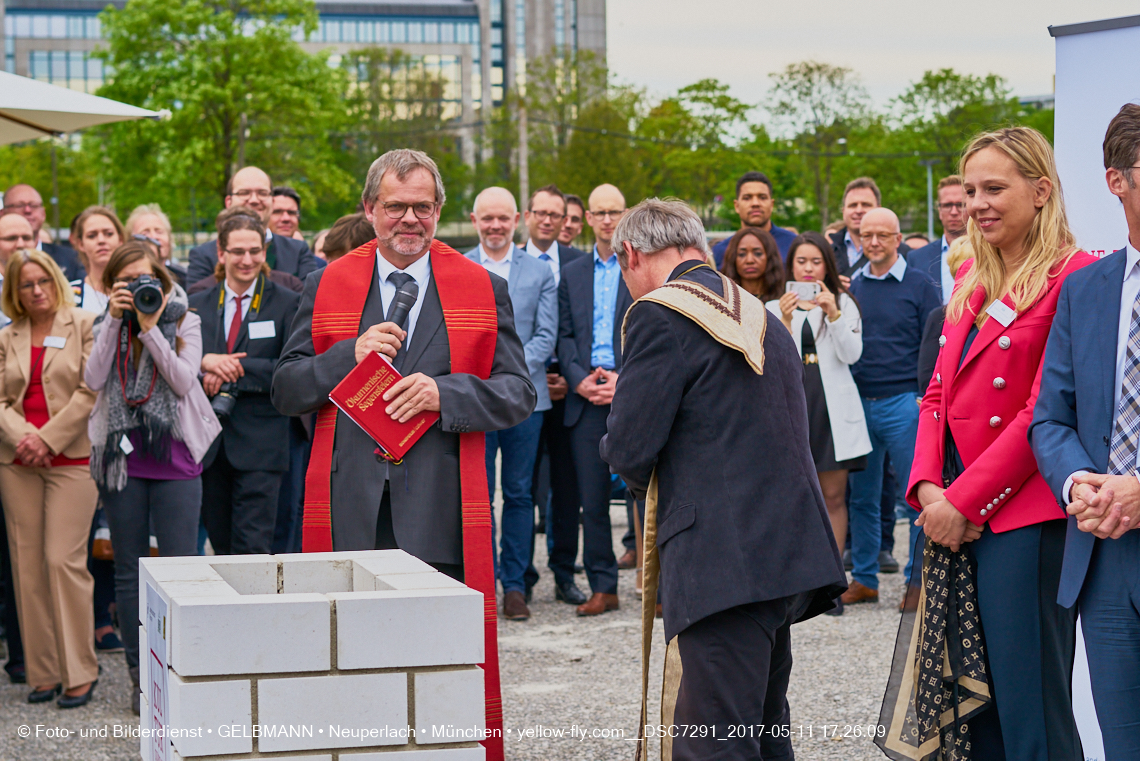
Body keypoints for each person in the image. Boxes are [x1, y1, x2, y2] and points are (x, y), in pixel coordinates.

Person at [272, 150, 532, 761]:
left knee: (437, 666)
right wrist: (347, 358)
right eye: (395, 206)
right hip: (349, 508)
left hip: (441, 507)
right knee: (353, 665)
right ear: (370, 210)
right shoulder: (327, 284)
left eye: (422, 206)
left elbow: (519, 392)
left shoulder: (484, 287)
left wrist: (449, 393)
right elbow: (285, 389)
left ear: (440, 212)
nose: (409, 218)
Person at [600, 199, 845, 760]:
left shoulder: (661, 314)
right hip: (783, 553)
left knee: (711, 743)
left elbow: (631, 444)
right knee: (761, 729)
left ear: (631, 254)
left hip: (719, 560)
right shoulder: (757, 309)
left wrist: (624, 460)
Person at [901, 127, 1091, 760]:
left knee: (1030, 709)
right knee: (972, 706)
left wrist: (964, 502)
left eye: (995, 188)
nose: (978, 204)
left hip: (1025, 520)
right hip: (954, 512)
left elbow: (1046, 410)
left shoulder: (1078, 278)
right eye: (971, 190)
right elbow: (935, 397)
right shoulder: (972, 283)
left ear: (1041, 191)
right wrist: (930, 490)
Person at [1030, 104, 1140, 759]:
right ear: (1116, 180)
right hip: (1102, 562)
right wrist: (1080, 483)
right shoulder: (1087, 289)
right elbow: (1052, 417)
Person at [86, 241, 221, 714]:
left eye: (145, 279)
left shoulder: (185, 317)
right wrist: (112, 322)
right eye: (127, 283)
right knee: (128, 573)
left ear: (160, 278)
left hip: (176, 457)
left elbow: (184, 381)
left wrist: (150, 330)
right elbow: (93, 377)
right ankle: (139, 679)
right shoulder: (106, 320)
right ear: (113, 286)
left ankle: (181, 676)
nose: (140, 288)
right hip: (124, 460)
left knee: (181, 570)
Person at [0, 250, 99, 707]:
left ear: (56, 280)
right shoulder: (9, 335)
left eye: (42, 281)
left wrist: (50, 439)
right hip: (17, 460)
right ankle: (43, 672)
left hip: (71, 459)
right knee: (28, 565)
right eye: (25, 284)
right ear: (14, 291)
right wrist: (26, 438)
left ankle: (79, 670)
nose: (36, 290)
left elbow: (91, 389)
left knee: (62, 560)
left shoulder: (82, 323)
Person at [465, 187, 557, 620]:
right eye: (488, 219)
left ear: (517, 219)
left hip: (524, 401)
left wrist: (511, 373)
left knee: (519, 493)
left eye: (503, 218)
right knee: (477, 494)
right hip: (475, 401)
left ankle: (515, 585)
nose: (496, 226)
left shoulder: (539, 272)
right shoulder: (457, 267)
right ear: (474, 219)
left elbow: (545, 334)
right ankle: (480, 580)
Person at [770, 232, 870, 615]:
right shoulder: (772, 306)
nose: (809, 269)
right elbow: (772, 362)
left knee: (833, 498)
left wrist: (834, 314)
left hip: (831, 411)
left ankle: (832, 586)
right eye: (801, 262)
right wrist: (784, 318)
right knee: (791, 498)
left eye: (816, 262)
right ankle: (793, 584)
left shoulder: (843, 303)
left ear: (826, 266)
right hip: (793, 409)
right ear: (790, 267)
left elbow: (852, 354)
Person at [844, 207, 941, 605]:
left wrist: (927, 398)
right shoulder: (852, 288)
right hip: (859, 402)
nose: (874, 243)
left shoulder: (921, 284)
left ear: (898, 239)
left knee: (916, 495)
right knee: (862, 496)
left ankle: (917, 581)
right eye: (867, 235)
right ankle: (865, 578)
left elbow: (935, 342)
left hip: (905, 403)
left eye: (883, 235)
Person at [190, 212, 299, 555]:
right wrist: (202, 364)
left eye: (255, 250)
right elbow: (175, 365)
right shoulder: (196, 305)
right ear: (221, 254)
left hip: (262, 445)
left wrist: (232, 368)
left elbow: (289, 368)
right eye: (238, 251)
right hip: (208, 444)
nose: (247, 259)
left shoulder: (286, 302)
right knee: (220, 547)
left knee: (253, 550)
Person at [556, 183, 632, 617]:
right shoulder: (573, 272)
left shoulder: (638, 267)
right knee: (593, 499)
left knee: (645, 496)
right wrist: (579, 379)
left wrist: (624, 379)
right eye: (599, 212)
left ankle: (657, 587)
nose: (607, 220)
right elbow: (564, 334)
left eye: (614, 212)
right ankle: (604, 587)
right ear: (586, 218)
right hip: (585, 398)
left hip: (630, 393)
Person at [523, 185, 589, 606]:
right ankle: (521, 576)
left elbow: (579, 329)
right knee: (521, 486)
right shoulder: (508, 262)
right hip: (523, 389)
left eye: (557, 215)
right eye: (541, 213)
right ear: (527, 215)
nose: (549, 221)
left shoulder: (580, 265)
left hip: (568, 389)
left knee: (568, 487)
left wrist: (568, 374)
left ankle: (564, 572)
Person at [186, 167, 324, 284]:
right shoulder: (203, 255)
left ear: (272, 201)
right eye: (244, 193)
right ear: (228, 202)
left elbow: (309, 302)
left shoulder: (298, 251)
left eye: (262, 193)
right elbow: (197, 305)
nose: (254, 200)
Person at [712, 171, 798, 266]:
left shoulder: (793, 245)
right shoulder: (720, 252)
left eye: (762, 197)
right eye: (747, 198)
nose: (755, 203)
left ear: (772, 204)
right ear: (736, 206)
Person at [2, 185, 85, 281]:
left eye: (34, 206)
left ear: (43, 213)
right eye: (19, 205)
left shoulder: (71, 259)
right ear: (2, 213)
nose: (28, 210)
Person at [908, 175, 969, 303]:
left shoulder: (989, 253)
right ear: (939, 211)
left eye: (960, 204)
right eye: (947, 205)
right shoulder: (916, 258)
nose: (953, 211)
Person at [70, 206, 125, 315]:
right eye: (92, 236)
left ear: (120, 239)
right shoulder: (68, 293)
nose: (101, 240)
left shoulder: (136, 289)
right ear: (80, 244)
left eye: (108, 234)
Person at [124, 204, 188, 288]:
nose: (154, 237)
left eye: (159, 232)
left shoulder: (185, 279)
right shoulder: (124, 280)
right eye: (145, 233)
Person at [720, 226, 785, 303]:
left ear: (770, 257)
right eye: (742, 254)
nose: (749, 260)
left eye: (758, 253)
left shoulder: (783, 300)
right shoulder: (721, 299)